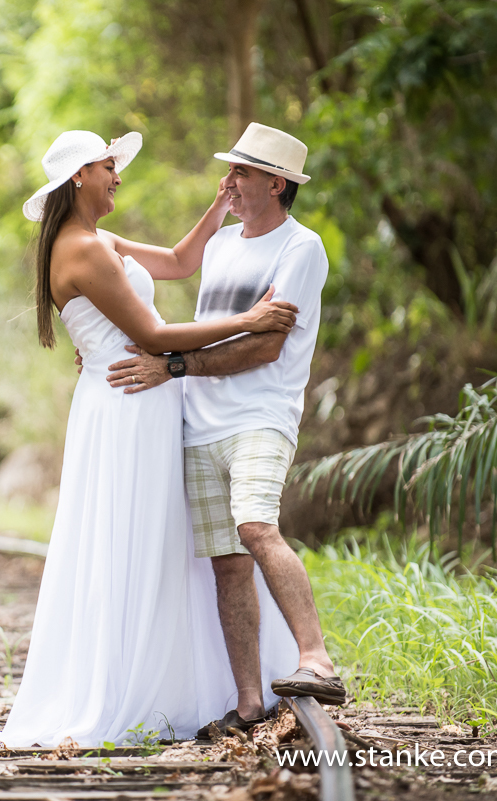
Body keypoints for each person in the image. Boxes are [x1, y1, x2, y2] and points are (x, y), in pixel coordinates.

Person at [0, 129, 300, 748]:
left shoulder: (100, 240)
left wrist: (218, 206)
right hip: (128, 404)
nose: (117, 176)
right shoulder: (79, 248)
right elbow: (155, 336)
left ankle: (183, 681)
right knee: (135, 538)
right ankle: (130, 687)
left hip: (150, 400)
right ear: (79, 175)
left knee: (165, 541)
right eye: (109, 167)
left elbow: (181, 262)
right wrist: (249, 321)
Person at [103, 123, 345, 737]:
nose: (229, 181)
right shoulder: (222, 245)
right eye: (230, 170)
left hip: (260, 415)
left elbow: (264, 346)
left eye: (241, 172)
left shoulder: (301, 247)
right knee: (227, 563)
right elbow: (197, 318)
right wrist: (107, 344)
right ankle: (246, 705)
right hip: (199, 424)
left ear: (276, 182)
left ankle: (315, 659)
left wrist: (175, 367)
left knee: (256, 525)